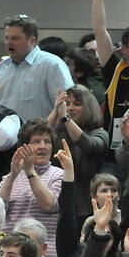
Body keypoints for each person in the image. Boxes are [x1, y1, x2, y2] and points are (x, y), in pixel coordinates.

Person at [0, 120, 64, 257]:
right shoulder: (10, 177)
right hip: (8, 255)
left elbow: (49, 205)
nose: (43, 146)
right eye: (36, 141)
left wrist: (30, 171)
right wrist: (13, 175)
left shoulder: (59, 175)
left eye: (47, 142)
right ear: (23, 148)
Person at [48, 84, 110, 222]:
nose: (70, 108)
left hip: (85, 204)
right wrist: (56, 110)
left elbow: (88, 145)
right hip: (57, 202)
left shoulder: (100, 133)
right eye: (67, 104)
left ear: (88, 107)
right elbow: (40, 135)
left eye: (77, 104)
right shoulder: (59, 133)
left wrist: (65, 117)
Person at [0, 15, 73, 122]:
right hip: (6, 137)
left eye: (15, 38)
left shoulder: (52, 65)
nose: (9, 42)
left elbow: (67, 106)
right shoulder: (1, 68)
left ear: (32, 40)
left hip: (40, 136)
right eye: (6, 38)